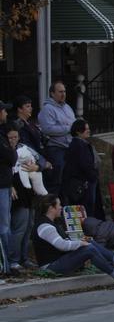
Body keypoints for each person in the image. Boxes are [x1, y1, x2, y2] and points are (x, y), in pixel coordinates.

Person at [31, 194, 114, 285]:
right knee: (89, 249)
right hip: (50, 267)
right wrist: (80, 243)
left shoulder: (50, 223)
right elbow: (62, 245)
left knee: (89, 242)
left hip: (58, 262)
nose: (61, 207)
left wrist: (82, 242)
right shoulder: (45, 226)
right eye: (59, 205)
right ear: (51, 208)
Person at [7, 125, 40, 271]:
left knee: (28, 227)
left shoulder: (24, 148)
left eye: (15, 137)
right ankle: (14, 260)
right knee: (19, 227)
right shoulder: (6, 152)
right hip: (17, 194)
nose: (13, 140)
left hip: (28, 192)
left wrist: (36, 168)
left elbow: (39, 162)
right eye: (10, 137)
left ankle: (24, 257)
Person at [37, 81, 75, 192]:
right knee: (57, 180)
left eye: (64, 91)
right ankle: (52, 204)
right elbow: (48, 129)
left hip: (69, 148)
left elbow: (74, 123)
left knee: (69, 180)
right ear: (52, 94)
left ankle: (65, 205)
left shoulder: (67, 107)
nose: (63, 94)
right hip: (56, 149)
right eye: (60, 92)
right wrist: (69, 128)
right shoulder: (47, 109)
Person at [61, 119, 103, 217]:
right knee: (86, 210)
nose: (88, 131)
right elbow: (85, 165)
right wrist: (94, 176)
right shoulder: (80, 146)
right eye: (86, 129)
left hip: (79, 183)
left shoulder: (76, 144)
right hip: (84, 184)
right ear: (78, 131)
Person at [11, 96, 51, 175]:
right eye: (27, 106)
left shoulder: (30, 123)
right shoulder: (18, 126)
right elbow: (27, 146)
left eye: (31, 106)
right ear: (19, 109)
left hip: (39, 158)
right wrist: (42, 162)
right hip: (30, 162)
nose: (31, 108)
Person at [0, 118, 16, 276]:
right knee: (4, 226)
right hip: (1, 186)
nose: (6, 113)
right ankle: (7, 265)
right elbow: (11, 158)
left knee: (6, 225)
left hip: (5, 185)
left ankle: (9, 263)